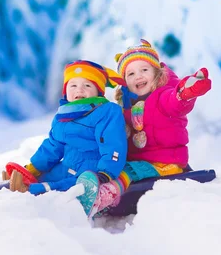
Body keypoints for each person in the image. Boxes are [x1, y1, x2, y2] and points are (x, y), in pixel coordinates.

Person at [76, 39, 212, 217]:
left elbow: (176, 102)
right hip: (140, 161)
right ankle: (88, 189)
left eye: (144, 70)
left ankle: (103, 198)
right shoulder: (126, 106)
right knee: (111, 167)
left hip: (163, 162)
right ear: (124, 82)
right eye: (130, 74)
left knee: (127, 172)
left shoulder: (163, 96)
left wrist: (186, 92)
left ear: (156, 73)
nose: (138, 76)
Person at [3, 60, 128, 197]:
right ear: (66, 91)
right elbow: (52, 147)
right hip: (66, 165)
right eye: (73, 85)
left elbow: (113, 144)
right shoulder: (62, 116)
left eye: (87, 85)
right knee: (48, 176)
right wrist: (35, 168)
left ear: (98, 92)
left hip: (91, 169)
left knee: (70, 185)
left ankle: (32, 191)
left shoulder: (107, 111)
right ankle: (20, 183)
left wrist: (105, 172)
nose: (79, 90)